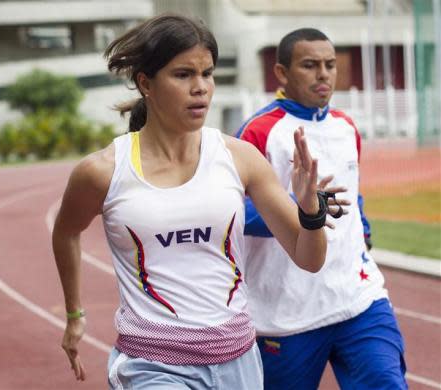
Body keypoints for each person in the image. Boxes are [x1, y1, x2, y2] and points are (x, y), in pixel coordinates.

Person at [52, 15, 329, 389]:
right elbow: (66, 232)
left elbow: (308, 258)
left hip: (238, 360)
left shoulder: (239, 158)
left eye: (207, 74)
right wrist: (74, 313)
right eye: (183, 75)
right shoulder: (102, 172)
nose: (200, 88)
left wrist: (311, 210)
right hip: (152, 363)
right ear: (146, 83)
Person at [235, 28, 406, 389]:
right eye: (310, 65)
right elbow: (231, 212)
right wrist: (302, 209)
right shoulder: (257, 133)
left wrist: (364, 235)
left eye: (330, 65)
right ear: (281, 73)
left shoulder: (346, 127)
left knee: (387, 383)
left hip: (358, 299)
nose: (323, 74)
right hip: (286, 313)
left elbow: (352, 196)